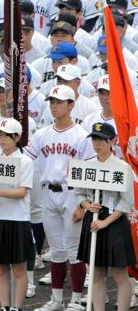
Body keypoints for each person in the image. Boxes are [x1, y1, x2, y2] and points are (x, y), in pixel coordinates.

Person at [25, 85, 94, 311]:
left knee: (74, 251)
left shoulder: (82, 136)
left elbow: (89, 170)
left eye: (59, 102)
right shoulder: (42, 133)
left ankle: (75, 300)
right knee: (56, 250)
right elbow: (25, 160)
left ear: (71, 105)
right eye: (52, 101)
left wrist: (84, 205)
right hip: (48, 193)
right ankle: (56, 300)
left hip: (72, 194)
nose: (54, 106)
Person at [76, 122, 135, 311]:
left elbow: (126, 202)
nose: (97, 143)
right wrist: (87, 205)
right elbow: (79, 194)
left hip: (114, 221)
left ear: (112, 141)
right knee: (95, 272)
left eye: (101, 139)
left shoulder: (122, 167)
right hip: (93, 219)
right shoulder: (87, 165)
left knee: (120, 273)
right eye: (94, 139)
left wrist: (105, 222)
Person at [0, 118, 35, 311]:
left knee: (19, 268)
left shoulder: (25, 161)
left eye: (7, 135)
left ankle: (17, 307)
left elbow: (22, 192)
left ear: (17, 137)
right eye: (0, 135)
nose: (2, 139)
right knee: (1, 267)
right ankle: (5, 306)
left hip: (17, 220)